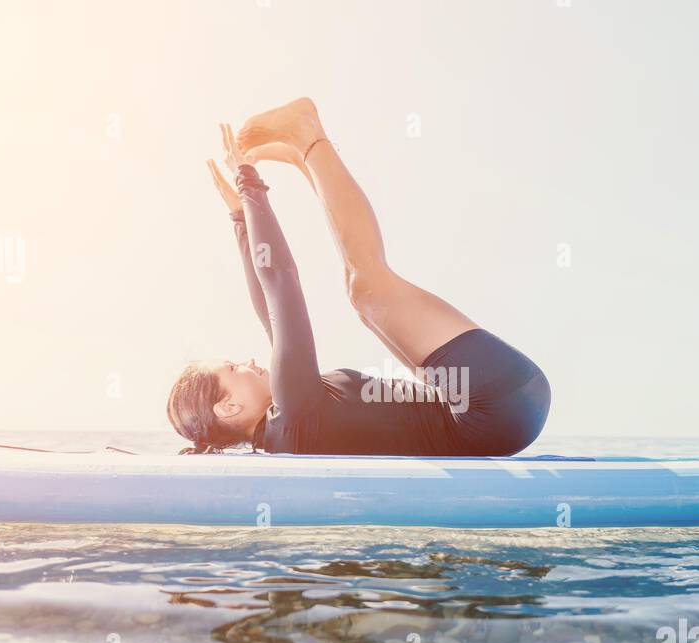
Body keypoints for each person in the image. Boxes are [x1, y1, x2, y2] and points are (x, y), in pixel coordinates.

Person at [168, 99, 550, 457]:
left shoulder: (287, 425)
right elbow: (281, 284)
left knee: (364, 299)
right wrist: (248, 182)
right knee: (366, 288)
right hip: (494, 406)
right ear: (229, 407)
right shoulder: (291, 419)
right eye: (234, 369)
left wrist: (240, 218)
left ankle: (309, 157)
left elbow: (269, 312)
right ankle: (310, 141)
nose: (248, 361)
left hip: (497, 408)